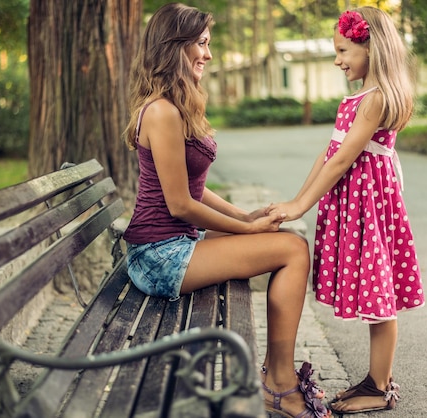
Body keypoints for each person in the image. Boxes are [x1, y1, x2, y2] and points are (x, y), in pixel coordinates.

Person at [122, 3, 330, 418]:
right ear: (174, 47)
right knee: (292, 251)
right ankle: (280, 385)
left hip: (174, 243)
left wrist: (245, 218)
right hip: (159, 257)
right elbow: (180, 205)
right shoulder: (162, 112)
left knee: (290, 238)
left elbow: (194, 190)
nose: (208, 55)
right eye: (201, 44)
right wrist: (249, 232)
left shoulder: (176, 106)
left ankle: (276, 373)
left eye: (208, 44)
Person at [268, 7, 425, 415]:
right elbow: (330, 152)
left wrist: (301, 205)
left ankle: (380, 386)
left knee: (380, 290)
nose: (338, 60)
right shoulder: (358, 96)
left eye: (343, 51)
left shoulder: (376, 99)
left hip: (369, 204)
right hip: (356, 200)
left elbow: (342, 162)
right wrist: (296, 200)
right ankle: (375, 381)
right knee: (375, 289)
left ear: (370, 47)